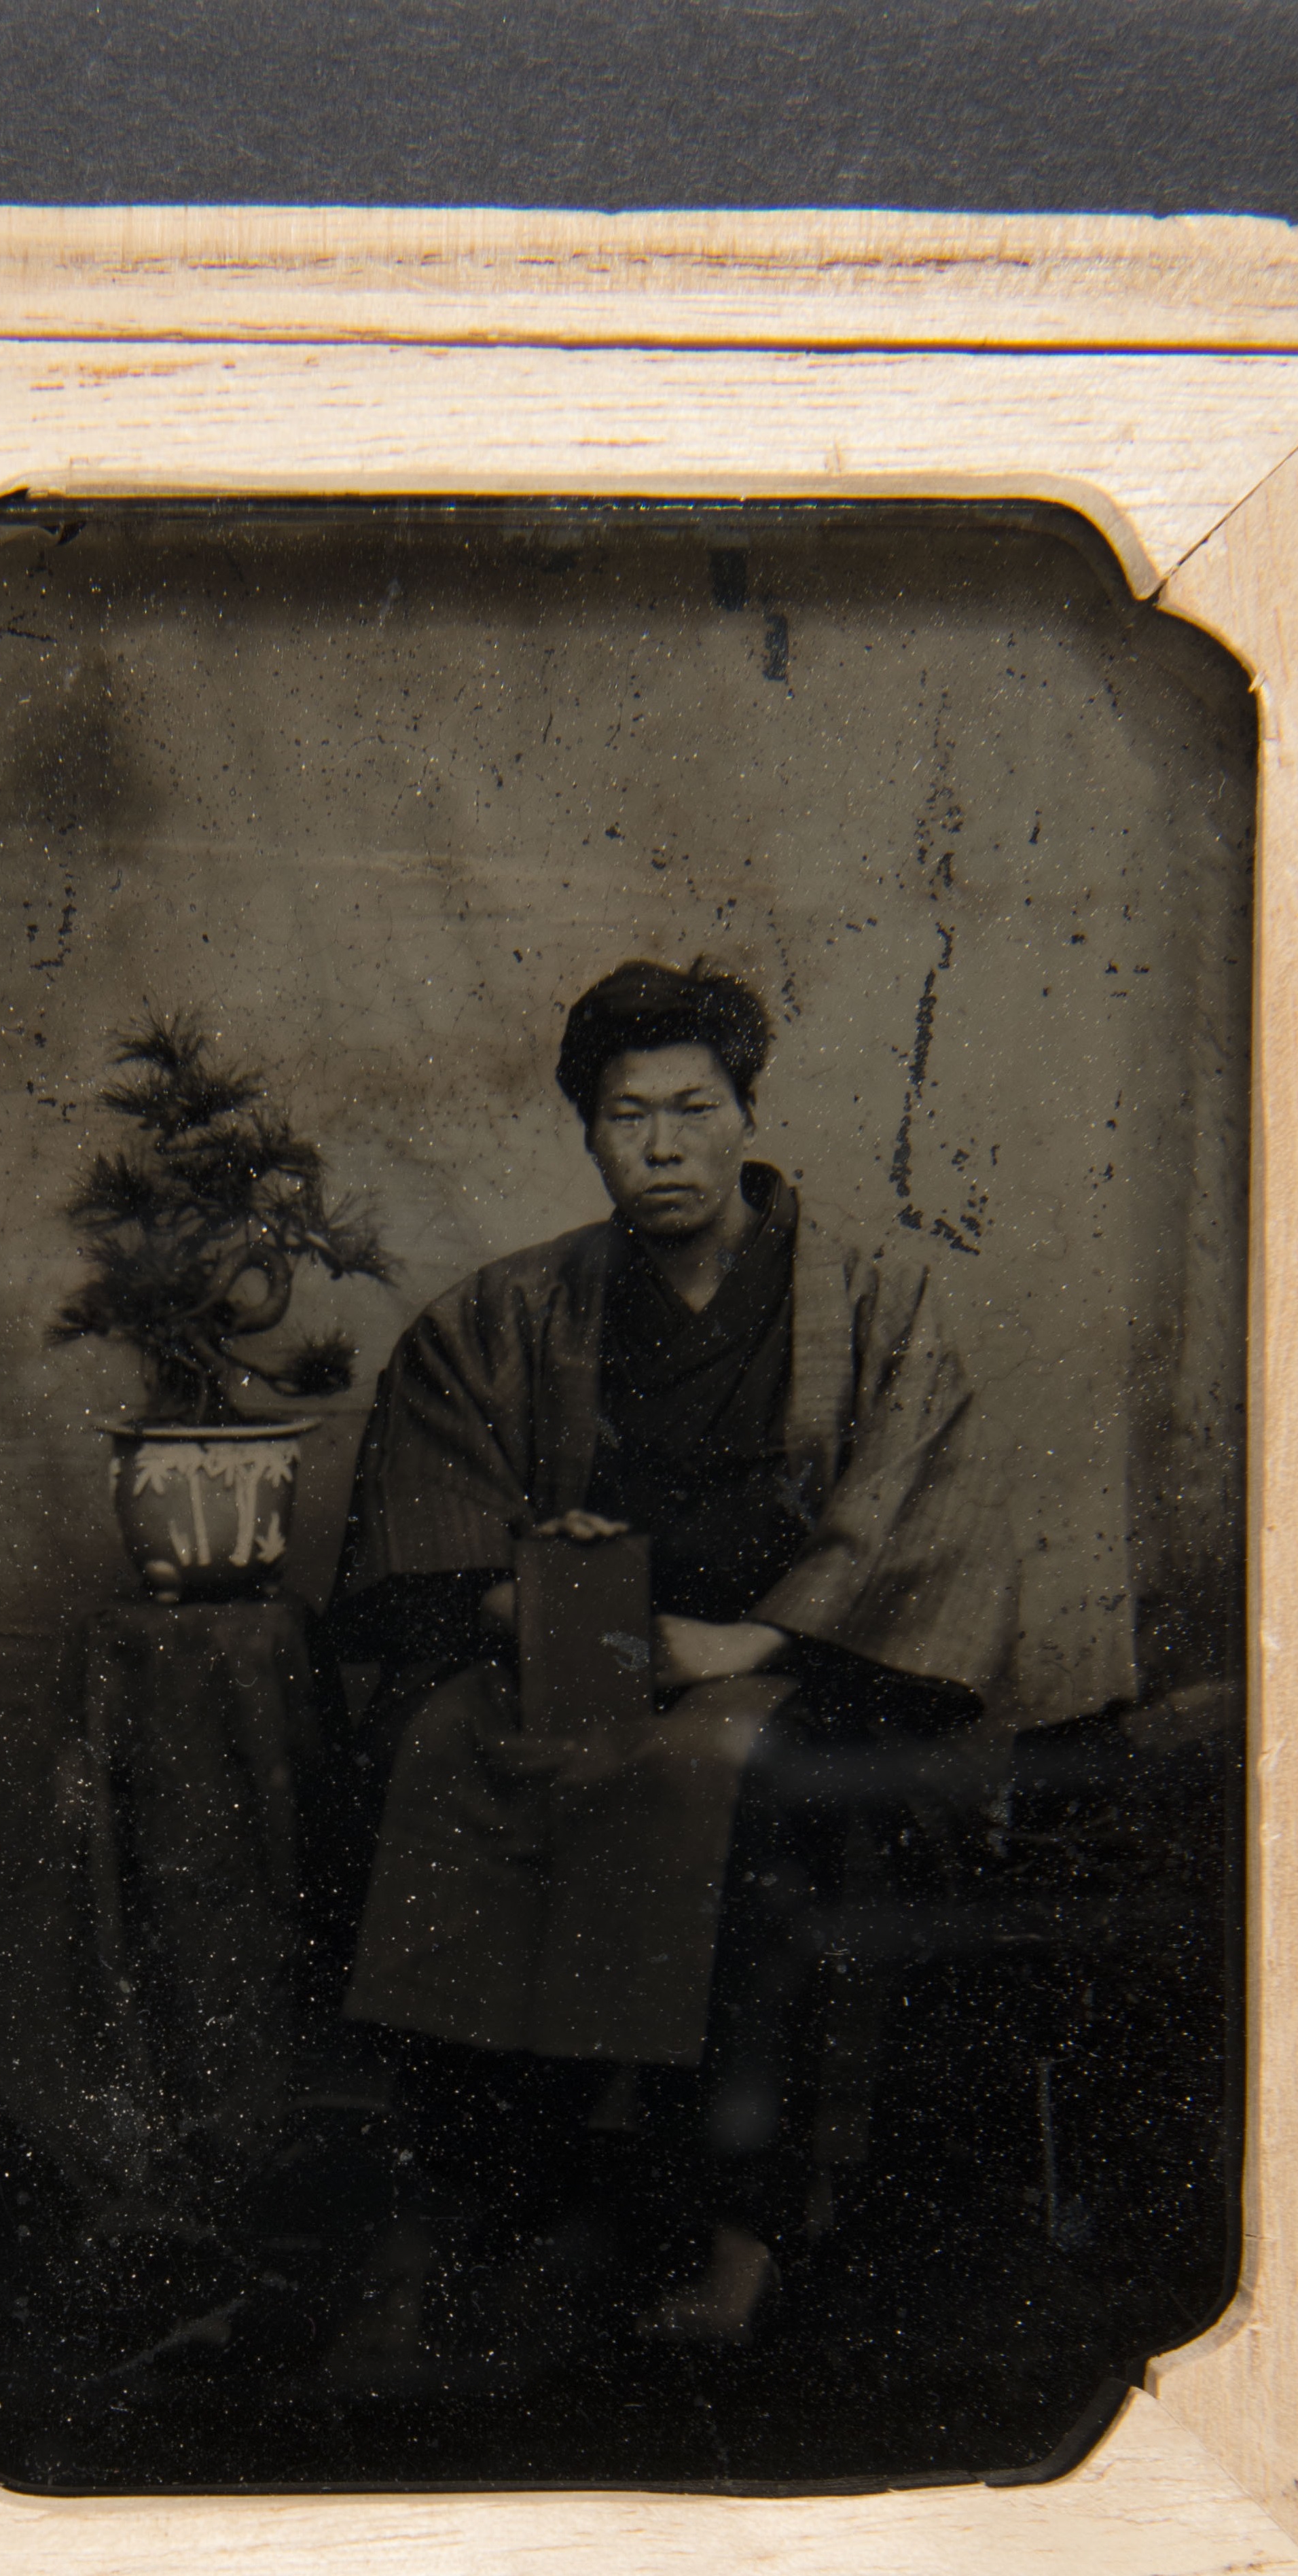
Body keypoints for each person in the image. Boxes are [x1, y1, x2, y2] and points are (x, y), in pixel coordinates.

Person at [327, 957, 1024, 2338]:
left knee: (749, 1802)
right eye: (625, 1115)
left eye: (694, 1109)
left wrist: (745, 1641)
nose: (662, 1146)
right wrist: (551, 1581)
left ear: (746, 1114)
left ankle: (736, 2246)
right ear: (586, 1131)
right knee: (443, 1760)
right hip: (592, 1660)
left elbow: (913, 1522)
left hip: (797, 1665)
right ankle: (486, 2212)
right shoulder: (512, 1313)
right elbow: (436, 1523)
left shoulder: (874, 1304)